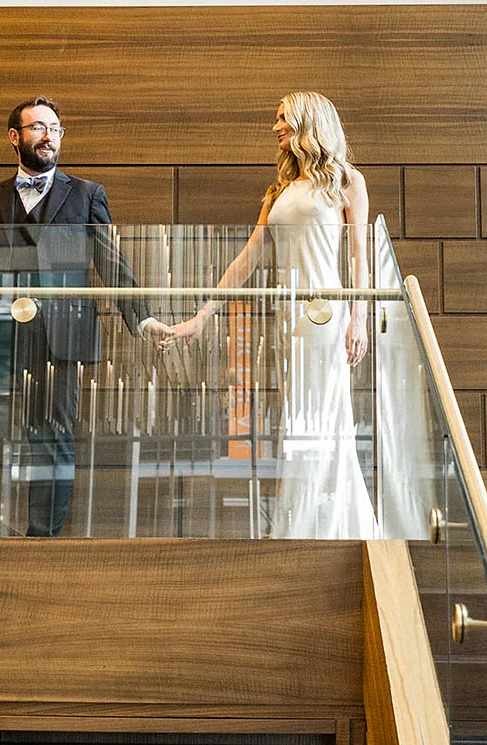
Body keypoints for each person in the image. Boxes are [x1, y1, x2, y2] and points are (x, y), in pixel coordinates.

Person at [155, 91, 378, 539]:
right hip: (288, 319)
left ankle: (328, 526)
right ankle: (304, 520)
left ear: (307, 121)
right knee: (299, 418)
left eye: (282, 118)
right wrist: (204, 315)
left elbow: (359, 259)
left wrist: (360, 318)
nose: (275, 127)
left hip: (326, 315)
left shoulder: (346, 180)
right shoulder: (279, 190)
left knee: (324, 415)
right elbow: (247, 259)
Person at [0, 96, 150, 536]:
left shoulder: (86, 194)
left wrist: (143, 320)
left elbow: (112, 263)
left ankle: (41, 541)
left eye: (55, 129)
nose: (49, 136)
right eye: (39, 128)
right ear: (15, 137)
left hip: (61, 338)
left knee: (54, 435)